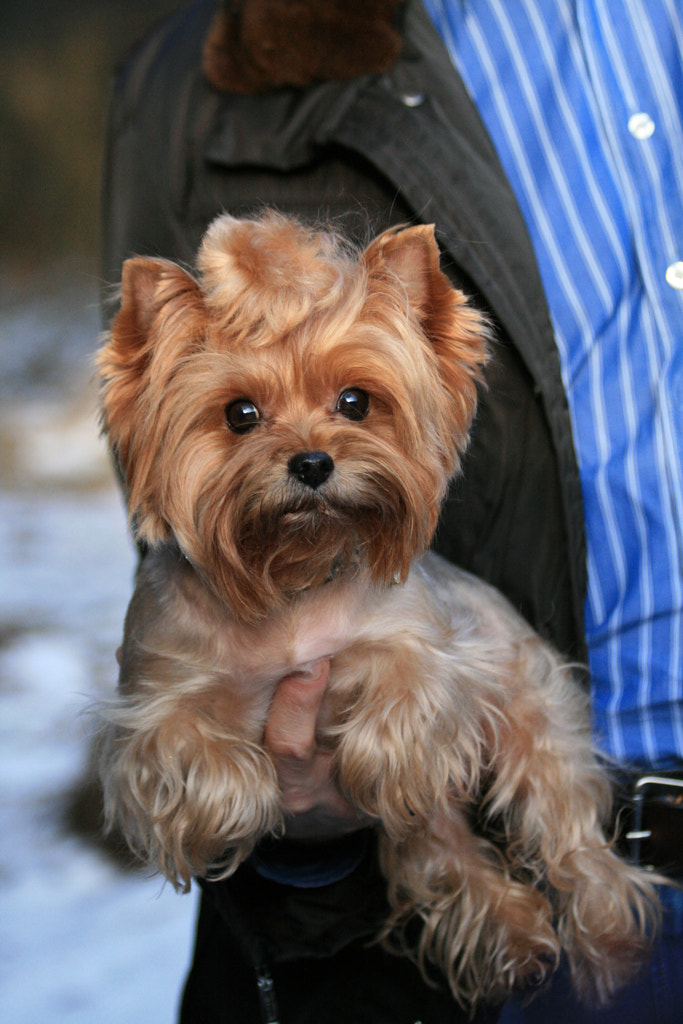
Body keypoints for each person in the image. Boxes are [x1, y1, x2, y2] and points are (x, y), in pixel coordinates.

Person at [99, 1, 683, 1021]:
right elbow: (175, 524)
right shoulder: (193, 77)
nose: (309, 445)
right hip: (469, 950)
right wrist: (303, 841)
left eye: (349, 403)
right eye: (247, 412)